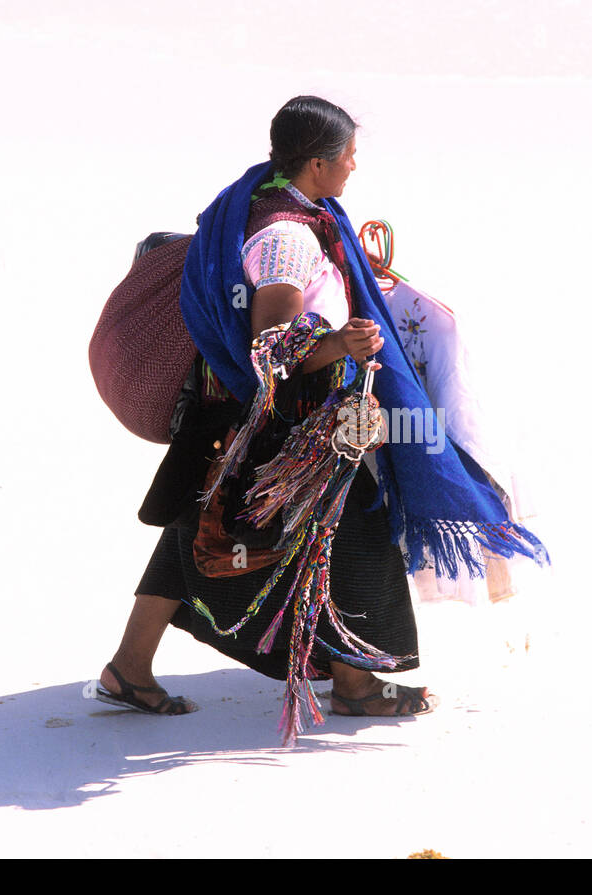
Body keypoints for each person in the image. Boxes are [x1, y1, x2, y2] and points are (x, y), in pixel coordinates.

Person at [90, 96, 547, 740]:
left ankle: (127, 670)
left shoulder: (273, 197)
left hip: (228, 412)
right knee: (358, 526)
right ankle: (358, 688)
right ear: (315, 163)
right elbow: (272, 343)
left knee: (195, 527)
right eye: (347, 157)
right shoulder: (283, 238)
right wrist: (340, 343)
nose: (355, 166)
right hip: (291, 422)